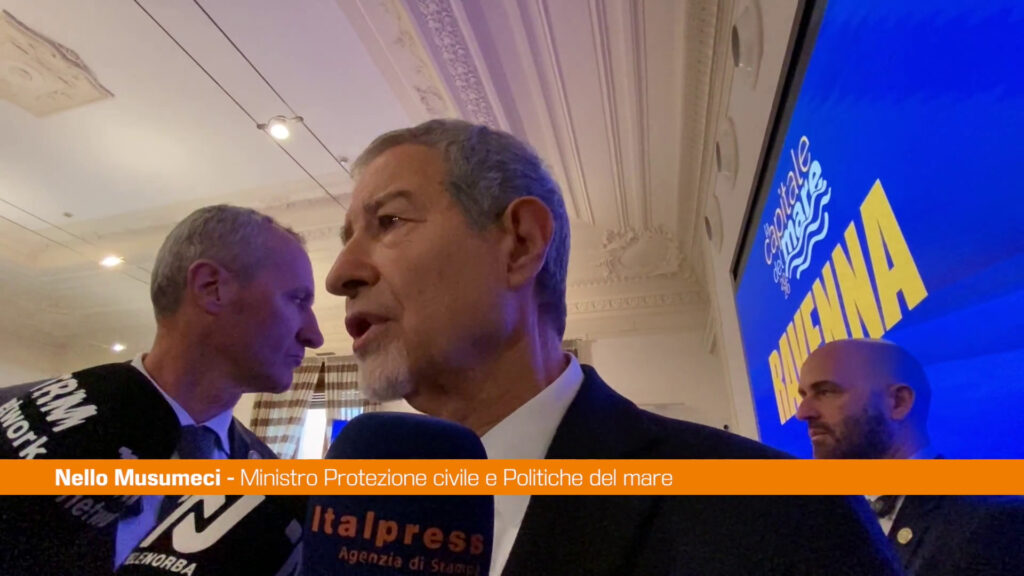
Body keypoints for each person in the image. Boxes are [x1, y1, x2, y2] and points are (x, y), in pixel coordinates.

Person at [325, 119, 899, 576]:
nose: (339, 275)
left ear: (521, 243)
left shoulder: (779, 512)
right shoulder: (355, 517)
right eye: (347, 239)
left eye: (389, 221)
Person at [0, 204, 324, 574]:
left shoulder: (271, 491)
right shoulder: (15, 424)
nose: (314, 335)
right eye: (298, 300)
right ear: (211, 288)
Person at [797, 338, 1024, 575]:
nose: (803, 412)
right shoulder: (821, 529)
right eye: (804, 395)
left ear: (898, 402)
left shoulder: (997, 519)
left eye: (825, 392)